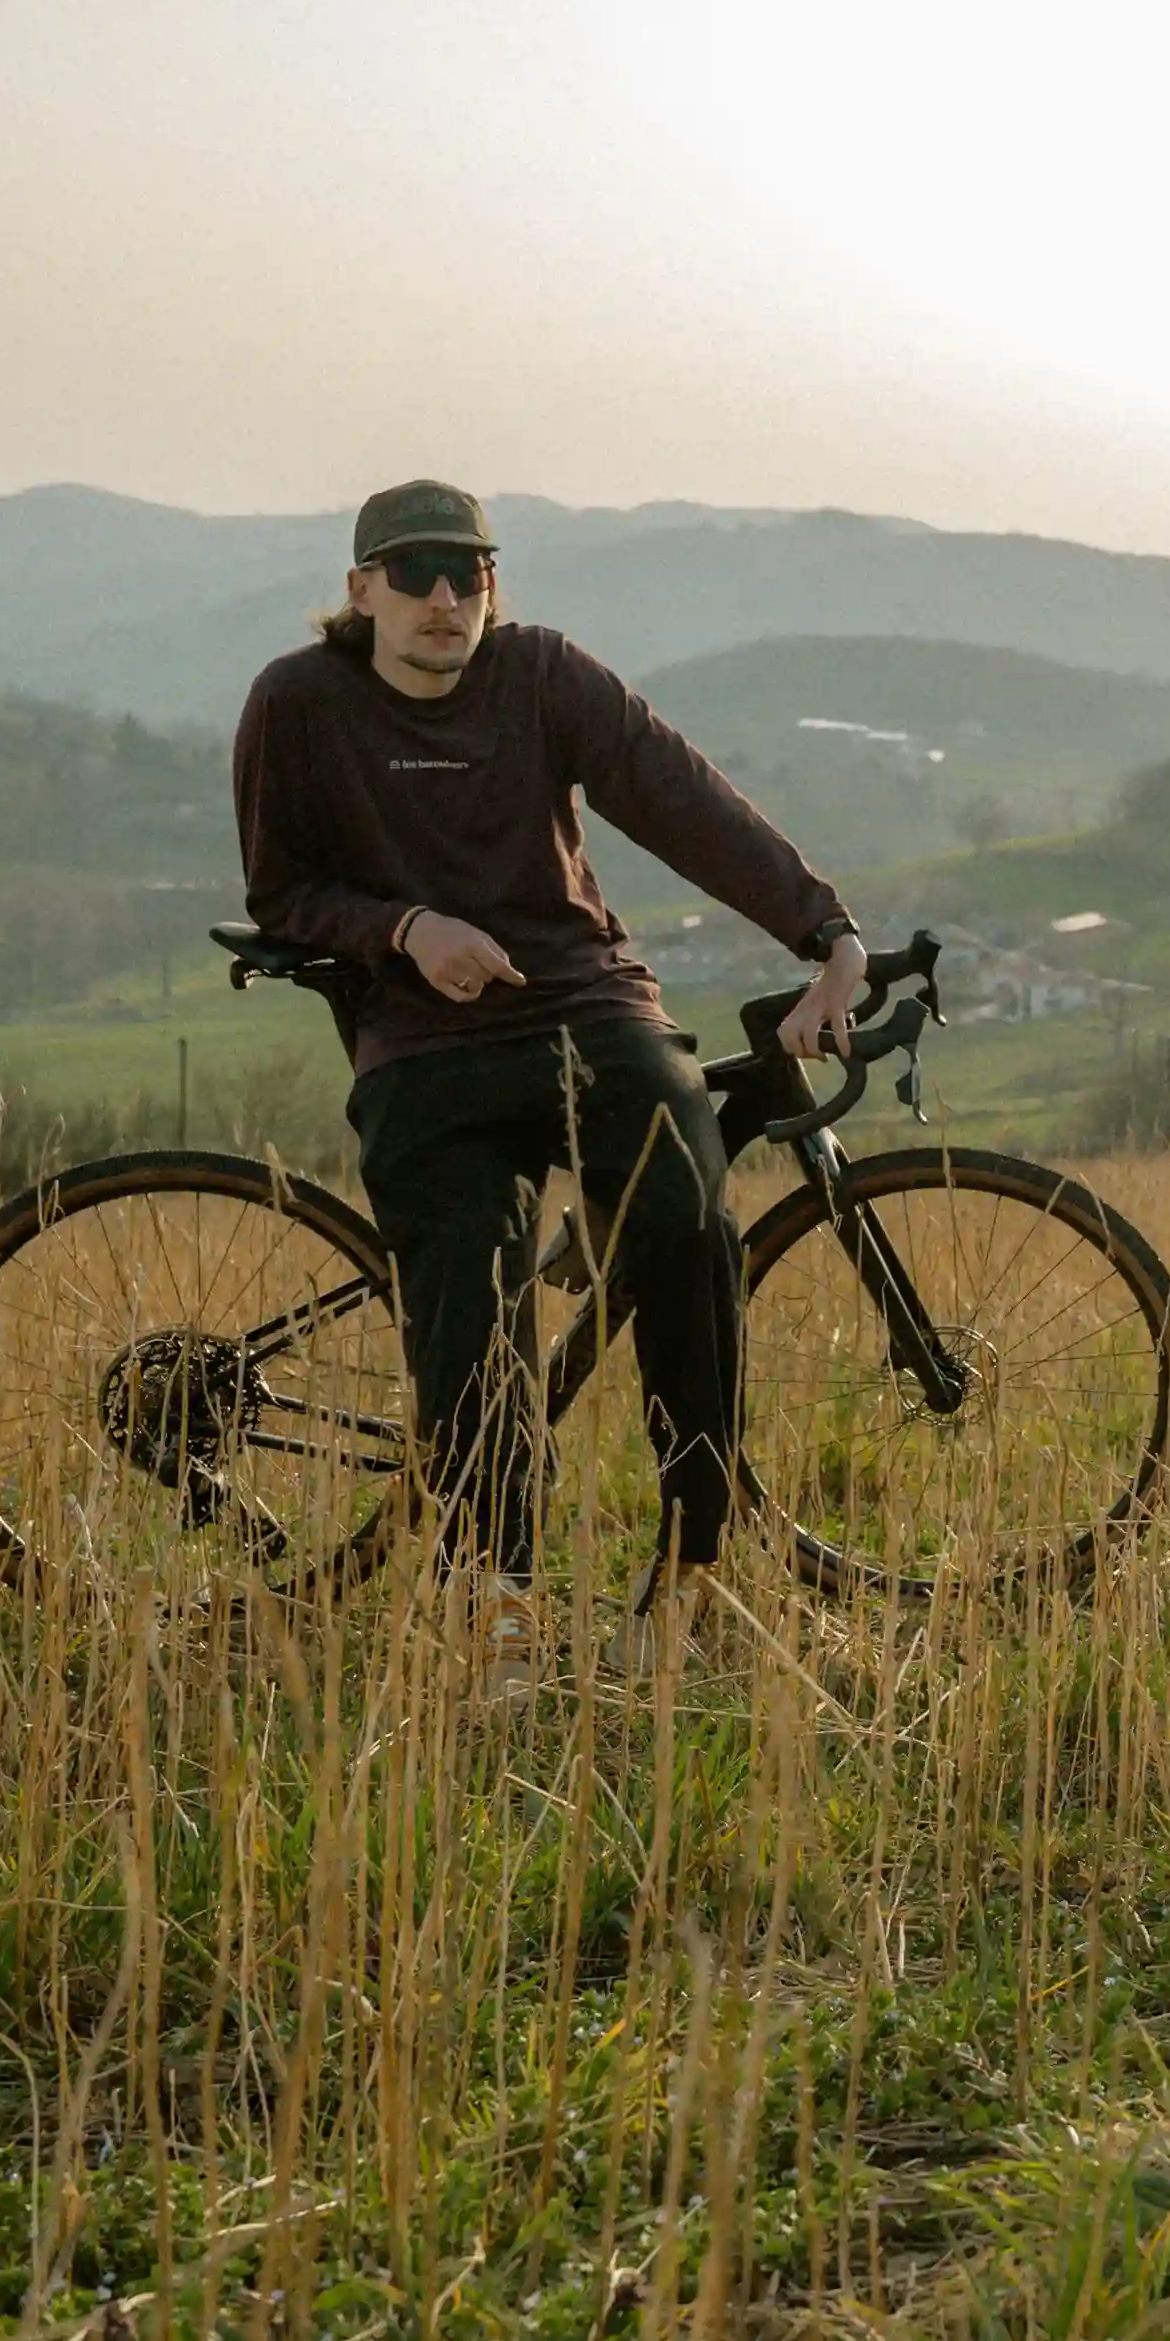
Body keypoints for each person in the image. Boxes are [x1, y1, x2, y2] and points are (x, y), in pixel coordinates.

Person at [232, 479, 870, 1689]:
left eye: (464, 571)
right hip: (422, 1046)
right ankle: (498, 1594)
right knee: (473, 1306)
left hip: (589, 1008)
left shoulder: (540, 676)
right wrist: (409, 929)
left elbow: (681, 800)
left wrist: (823, 931)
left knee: (689, 1236)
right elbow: (283, 896)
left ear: (492, 584)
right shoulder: (298, 705)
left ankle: (690, 1566)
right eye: (410, 571)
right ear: (359, 589)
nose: (439, 596)